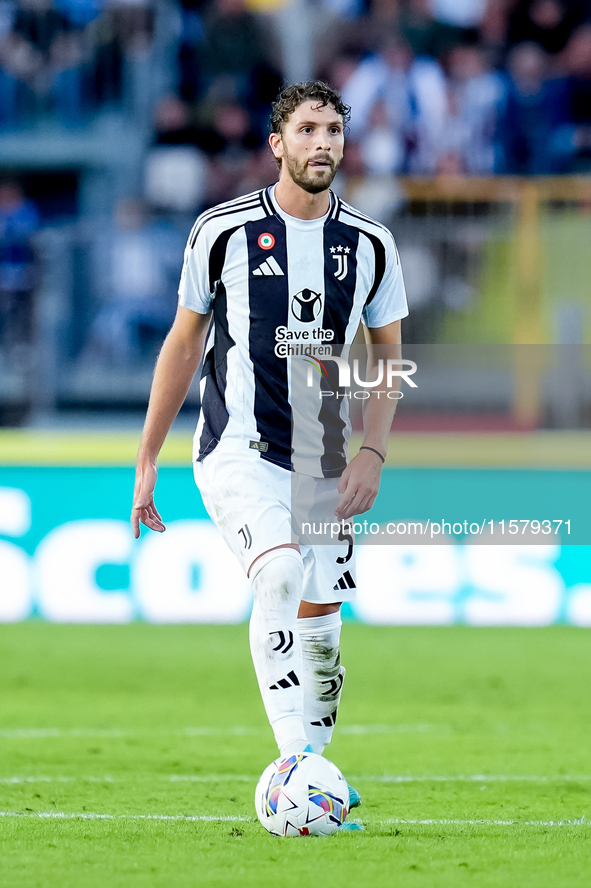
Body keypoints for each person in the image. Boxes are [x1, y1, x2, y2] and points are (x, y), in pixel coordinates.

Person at [131, 81, 408, 822]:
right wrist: (148, 455)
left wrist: (372, 452)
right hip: (237, 447)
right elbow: (184, 342)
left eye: (334, 131)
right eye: (308, 129)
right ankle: (293, 765)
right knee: (279, 573)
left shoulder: (371, 244)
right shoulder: (219, 231)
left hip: (323, 457)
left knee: (321, 622)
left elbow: (387, 356)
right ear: (276, 144)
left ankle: (315, 769)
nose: (323, 144)